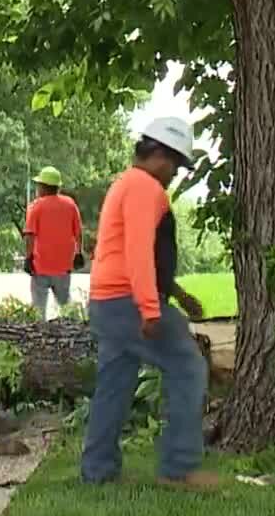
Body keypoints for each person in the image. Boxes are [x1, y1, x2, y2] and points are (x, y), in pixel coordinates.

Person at [83, 117, 217, 490]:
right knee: (188, 366)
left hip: (107, 303)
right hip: (129, 302)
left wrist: (177, 294)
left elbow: (142, 257)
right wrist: (150, 307)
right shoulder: (146, 188)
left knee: (114, 384)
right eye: (175, 164)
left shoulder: (126, 184)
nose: (174, 174)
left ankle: (97, 471)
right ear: (159, 154)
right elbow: (139, 251)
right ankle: (179, 469)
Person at [24, 166, 82, 321]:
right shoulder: (70, 205)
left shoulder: (36, 206)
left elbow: (30, 235)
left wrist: (28, 258)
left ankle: (40, 337)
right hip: (63, 267)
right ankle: (75, 330)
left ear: (43, 187)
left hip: (41, 266)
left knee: (38, 309)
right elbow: (78, 232)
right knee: (66, 305)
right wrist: (78, 253)